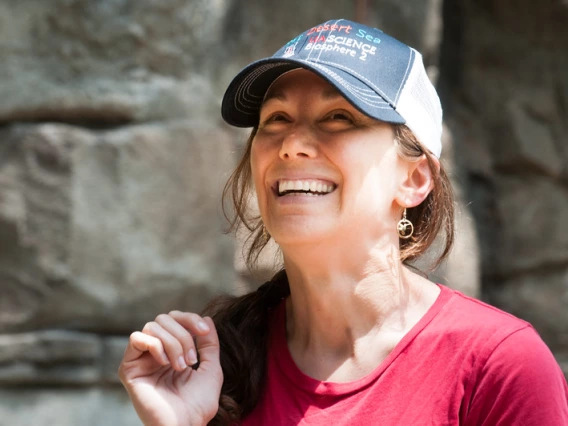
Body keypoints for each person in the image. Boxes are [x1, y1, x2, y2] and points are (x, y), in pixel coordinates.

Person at [118, 19, 568, 426]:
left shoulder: (500, 366)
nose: (292, 145)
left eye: (338, 117)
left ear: (413, 179)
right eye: (275, 119)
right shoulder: (216, 367)